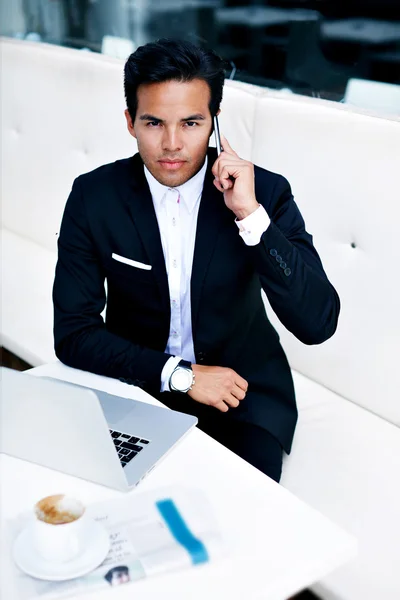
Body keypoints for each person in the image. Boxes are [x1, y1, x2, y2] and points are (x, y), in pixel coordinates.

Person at [53, 39, 340, 483]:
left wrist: (250, 217)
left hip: (243, 397)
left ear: (215, 125)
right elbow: (73, 334)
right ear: (130, 122)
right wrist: (179, 376)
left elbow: (317, 323)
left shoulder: (264, 193)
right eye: (154, 123)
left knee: (238, 520)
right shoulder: (94, 196)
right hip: (137, 385)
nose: (172, 144)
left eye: (190, 123)